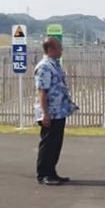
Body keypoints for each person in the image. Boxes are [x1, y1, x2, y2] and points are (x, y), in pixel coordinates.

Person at [34, 37, 77, 185]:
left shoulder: (55, 65)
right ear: (51, 49)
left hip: (59, 111)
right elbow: (42, 91)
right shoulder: (45, 67)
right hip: (50, 112)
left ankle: (52, 172)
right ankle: (44, 174)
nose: (61, 50)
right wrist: (45, 113)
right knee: (48, 144)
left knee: (56, 144)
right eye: (59, 47)